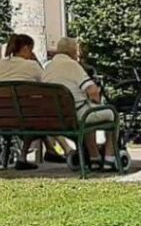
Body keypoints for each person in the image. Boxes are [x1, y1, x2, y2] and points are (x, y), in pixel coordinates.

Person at [43, 36, 118, 168]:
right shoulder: (73, 65)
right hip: (76, 115)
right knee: (112, 115)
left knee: (87, 114)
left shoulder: (47, 68)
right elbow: (92, 91)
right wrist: (96, 100)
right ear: (73, 51)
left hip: (56, 117)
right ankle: (109, 157)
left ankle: (95, 157)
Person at [0, 33, 44, 169]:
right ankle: (25, 156)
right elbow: (47, 81)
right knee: (39, 118)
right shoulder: (32, 66)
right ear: (26, 49)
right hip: (26, 118)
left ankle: (26, 157)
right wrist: (36, 61)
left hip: (2, 118)